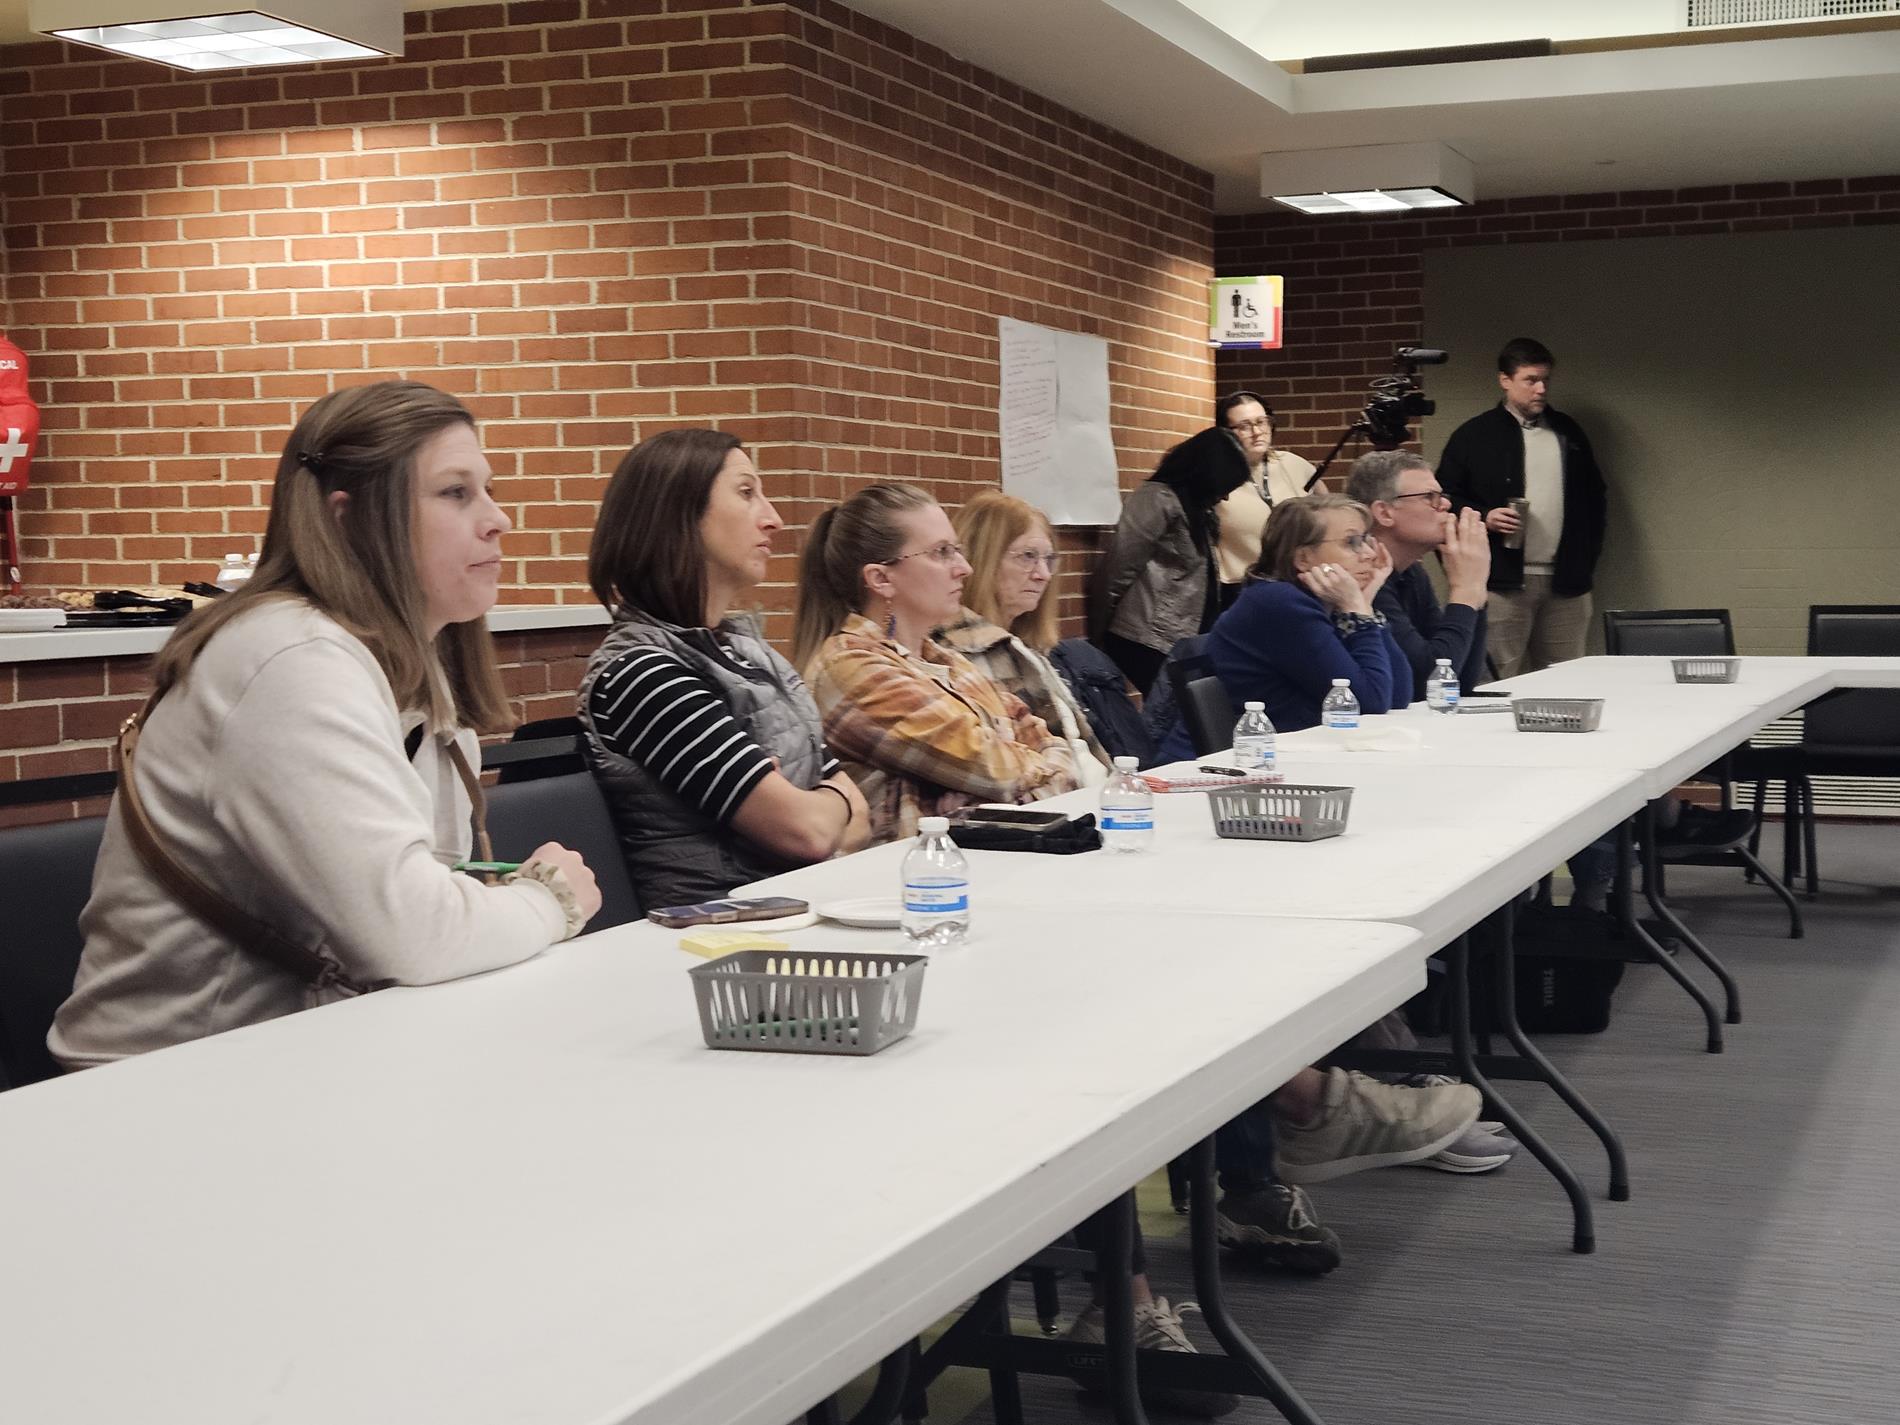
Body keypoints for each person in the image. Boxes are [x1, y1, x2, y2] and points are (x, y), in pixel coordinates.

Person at [50, 381, 601, 1071]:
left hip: (312, 1062)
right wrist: (546, 902)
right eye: (455, 493)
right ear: (350, 518)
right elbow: (413, 934)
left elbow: (421, 924)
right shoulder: (290, 656)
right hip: (158, 1090)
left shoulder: (412, 674)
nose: (498, 519)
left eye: (487, 490)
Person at [576, 429, 870, 911]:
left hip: (791, 911)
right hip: (712, 937)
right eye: (746, 492)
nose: (773, 519)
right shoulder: (641, 675)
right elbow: (810, 831)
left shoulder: (750, 655)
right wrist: (824, 807)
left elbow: (859, 813)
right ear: (679, 515)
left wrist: (817, 808)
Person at [793, 482, 1079, 844]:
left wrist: (1022, 780)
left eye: (957, 550)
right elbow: (998, 772)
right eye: (942, 552)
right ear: (880, 578)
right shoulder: (851, 667)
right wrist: (1035, 777)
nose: (964, 568)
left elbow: (1041, 738)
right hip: (909, 884)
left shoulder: (945, 660)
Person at [1156, 493, 1408, 760]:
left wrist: (1364, 606)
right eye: (1352, 542)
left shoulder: (1324, 603)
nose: (1369, 554)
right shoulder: (1279, 604)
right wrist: (1358, 613)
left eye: (1367, 540)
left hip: (1272, 763)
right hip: (1209, 775)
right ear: (1303, 559)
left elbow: (1400, 694)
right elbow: (1370, 704)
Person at [1437, 337, 1607, 677]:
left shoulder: (1568, 432)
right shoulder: (1474, 436)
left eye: (1546, 380)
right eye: (1530, 380)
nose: (1541, 389)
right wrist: (1486, 516)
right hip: (1500, 583)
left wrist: (1585, 562)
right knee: (1498, 679)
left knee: (1567, 681)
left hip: (1566, 582)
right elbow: (1442, 501)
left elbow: (1596, 501)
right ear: (1505, 380)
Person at [938, 489, 1112, 785]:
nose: (1043, 573)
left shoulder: (1024, 646)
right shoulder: (957, 653)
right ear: (981, 559)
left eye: (1048, 559)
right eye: (1028, 557)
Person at [1086, 427, 1249, 695]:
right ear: (1205, 475)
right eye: (1224, 487)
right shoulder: (1157, 499)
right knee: (1182, 717)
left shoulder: (1196, 508)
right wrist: (1098, 635)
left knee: (1194, 715)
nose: (1225, 496)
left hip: (1181, 637)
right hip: (1148, 636)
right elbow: (1118, 567)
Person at [1345, 449, 1492, 700]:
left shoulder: (1412, 572)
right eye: (1430, 497)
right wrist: (1465, 591)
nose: (1445, 504)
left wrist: (1476, 585)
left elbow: (1461, 680)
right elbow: (1429, 681)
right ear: (1384, 513)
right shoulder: (1364, 577)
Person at [1211, 391, 1323, 608]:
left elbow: (1327, 514)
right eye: (1244, 426)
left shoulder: (1294, 465)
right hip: (1239, 590)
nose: (1256, 432)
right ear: (1226, 432)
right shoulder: (1215, 475)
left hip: (1300, 584)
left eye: (1261, 422)